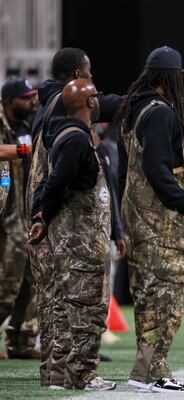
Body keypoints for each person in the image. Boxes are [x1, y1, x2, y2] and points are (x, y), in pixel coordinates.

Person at [27, 47, 122, 387]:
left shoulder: (56, 119)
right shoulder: (74, 136)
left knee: (56, 303)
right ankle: (80, 375)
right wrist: (42, 213)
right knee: (82, 306)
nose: (97, 92)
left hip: (59, 229)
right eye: (90, 79)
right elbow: (55, 183)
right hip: (76, 235)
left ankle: (55, 374)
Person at [115, 46, 184, 393]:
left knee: (148, 296)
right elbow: (155, 167)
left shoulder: (132, 110)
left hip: (136, 215)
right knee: (168, 297)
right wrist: (182, 203)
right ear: (171, 78)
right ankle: (155, 372)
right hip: (161, 221)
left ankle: (143, 371)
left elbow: (125, 170)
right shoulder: (161, 113)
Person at [0, 76, 39, 360]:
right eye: (26, 98)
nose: (32, 102)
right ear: (10, 101)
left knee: (32, 280)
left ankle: (22, 340)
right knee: (6, 282)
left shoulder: (30, 124)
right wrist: (27, 150)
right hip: (6, 214)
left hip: (28, 213)